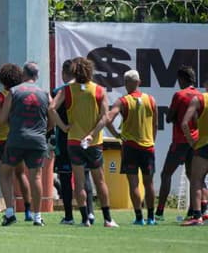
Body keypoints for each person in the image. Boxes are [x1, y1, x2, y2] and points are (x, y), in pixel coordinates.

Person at [49, 57, 118, 228]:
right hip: (93, 143)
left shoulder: (67, 90)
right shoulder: (99, 90)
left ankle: (85, 219)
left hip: (73, 141)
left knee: (79, 182)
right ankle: (108, 219)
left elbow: (51, 109)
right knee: (99, 181)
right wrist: (92, 134)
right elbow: (105, 117)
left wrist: (64, 127)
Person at [0, 62, 51, 227]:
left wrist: (14, 124)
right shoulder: (44, 93)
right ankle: (37, 216)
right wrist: (43, 131)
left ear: (23, 74)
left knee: (5, 172)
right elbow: (52, 118)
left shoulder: (14, 91)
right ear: (36, 76)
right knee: (35, 177)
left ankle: (9, 213)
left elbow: (1, 119)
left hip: (16, 138)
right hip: (38, 141)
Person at [107, 70, 157, 225]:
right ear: (139, 82)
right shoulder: (150, 99)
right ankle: (151, 217)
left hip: (130, 147)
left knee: (133, 183)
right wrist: (151, 140)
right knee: (149, 183)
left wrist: (116, 134)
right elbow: (155, 124)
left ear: (126, 83)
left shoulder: (123, 101)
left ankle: (139, 217)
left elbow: (108, 118)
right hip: (148, 147)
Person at [156, 66, 205, 221]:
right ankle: (196, 210)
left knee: (166, 174)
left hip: (180, 141)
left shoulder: (180, 95)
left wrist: (174, 116)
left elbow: (169, 117)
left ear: (181, 79)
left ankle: (160, 212)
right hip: (195, 141)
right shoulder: (200, 95)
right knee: (195, 177)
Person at [51, 60, 96, 225]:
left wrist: (61, 128)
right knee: (85, 176)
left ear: (64, 73)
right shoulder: (90, 89)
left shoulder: (61, 91)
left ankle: (69, 216)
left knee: (65, 177)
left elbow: (52, 110)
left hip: (65, 139)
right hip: (84, 138)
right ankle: (90, 213)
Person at [0, 63, 33, 222]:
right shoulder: (20, 94)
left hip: (3, 140)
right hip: (19, 137)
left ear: (2, 80)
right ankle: (28, 211)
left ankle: (10, 211)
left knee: (5, 176)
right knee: (21, 174)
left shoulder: (0, 96)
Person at [181, 87, 208, 225]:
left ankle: (197, 216)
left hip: (204, 145)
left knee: (196, 179)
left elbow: (185, 123)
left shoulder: (200, 99)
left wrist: (191, 142)